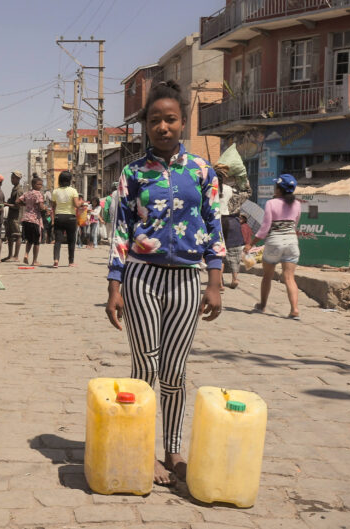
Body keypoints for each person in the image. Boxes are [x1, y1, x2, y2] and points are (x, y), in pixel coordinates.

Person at [105, 80, 225, 486]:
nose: (162, 127)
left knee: (175, 369)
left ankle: (173, 450)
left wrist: (215, 281)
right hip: (142, 277)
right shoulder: (133, 172)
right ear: (146, 126)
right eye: (154, 120)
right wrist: (114, 286)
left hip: (188, 281)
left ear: (183, 123)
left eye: (170, 119)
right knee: (146, 365)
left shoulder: (202, 172)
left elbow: (214, 225)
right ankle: (141, 448)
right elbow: (121, 230)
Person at [246, 174, 302, 319]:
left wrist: (251, 244)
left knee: (267, 276)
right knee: (289, 277)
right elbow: (295, 224)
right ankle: (294, 309)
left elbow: (264, 229)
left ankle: (262, 305)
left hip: (274, 243)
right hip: (292, 242)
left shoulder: (271, 203)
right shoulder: (297, 204)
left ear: (279, 189)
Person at [216, 164, 251, 290]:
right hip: (232, 222)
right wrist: (244, 178)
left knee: (218, 251)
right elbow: (247, 193)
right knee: (235, 251)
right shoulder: (231, 191)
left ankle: (219, 282)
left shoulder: (210, 189)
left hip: (216, 221)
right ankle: (235, 278)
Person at [51, 171, 83, 267]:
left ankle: (56, 260)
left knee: (58, 240)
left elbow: (53, 206)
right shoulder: (73, 191)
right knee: (71, 240)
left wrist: (53, 218)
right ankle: (71, 262)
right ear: (69, 180)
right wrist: (81, 201)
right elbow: (77, 205)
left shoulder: (55, 191)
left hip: (58, 217)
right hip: (70, 217)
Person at [18, 177, 47, 265]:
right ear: (33, 184)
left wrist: (26, 205)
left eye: (41, 184)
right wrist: (45, 208)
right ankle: (34, 261)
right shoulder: (38, 194)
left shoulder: (27, 193)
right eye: (39, 184)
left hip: (26, 219)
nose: (40, 186)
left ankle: (26, 254)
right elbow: (41, 207)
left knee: (29, 240)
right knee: (36, 242)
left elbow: (17, 201)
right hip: (35, 220)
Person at [2, 171, 25, 261]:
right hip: (11, 216)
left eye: (13, 178)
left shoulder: (19, 190)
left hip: (15, 216)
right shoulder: (14, 188)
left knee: (17, 235)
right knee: (10, 236)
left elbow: (17, 206)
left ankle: (16, 256)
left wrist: (6, 204)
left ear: (18, 179)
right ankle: (10, 255)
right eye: (11, 178)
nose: (12, 179)